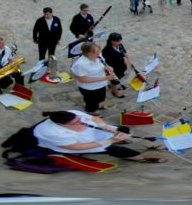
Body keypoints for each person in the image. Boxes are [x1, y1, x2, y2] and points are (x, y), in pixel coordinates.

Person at [33, 110, 165, 163]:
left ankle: (121, 141)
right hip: (83, 143)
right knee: (116, 150)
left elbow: (93, 118)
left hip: (95, 131)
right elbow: (77, 147)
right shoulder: (52, 132)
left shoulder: (71, 114)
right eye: (76, 122)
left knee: (122, 129)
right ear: (62, 124)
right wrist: (110, 140)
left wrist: (103, 125)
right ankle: (140, 158)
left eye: (78, 119)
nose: (80, 121)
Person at [71, 42, 114, 113]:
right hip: (89, 88)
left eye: (99, 51)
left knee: (101, 98)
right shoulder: (80, 64)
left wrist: (108, 67)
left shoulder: (98, 56)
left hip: (101, 84)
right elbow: (83, 80)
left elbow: (103, 63)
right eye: (96, 53)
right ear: (88, 53)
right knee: (91, 102)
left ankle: (97, 105)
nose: (99, 53)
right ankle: (91, 111)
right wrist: (105, 78)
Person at [102, 33, 133, 99]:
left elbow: (123, 51)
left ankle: (112, 86)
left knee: (119, 77)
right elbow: (106, 62)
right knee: (115, 80)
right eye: (117, 41)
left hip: (121, 65)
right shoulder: (106, 50)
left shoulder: (120, 45)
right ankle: (114, 91)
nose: (119, 42)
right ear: (112, 41)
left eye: (120, 40)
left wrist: (125, 55)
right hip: (114, 68)